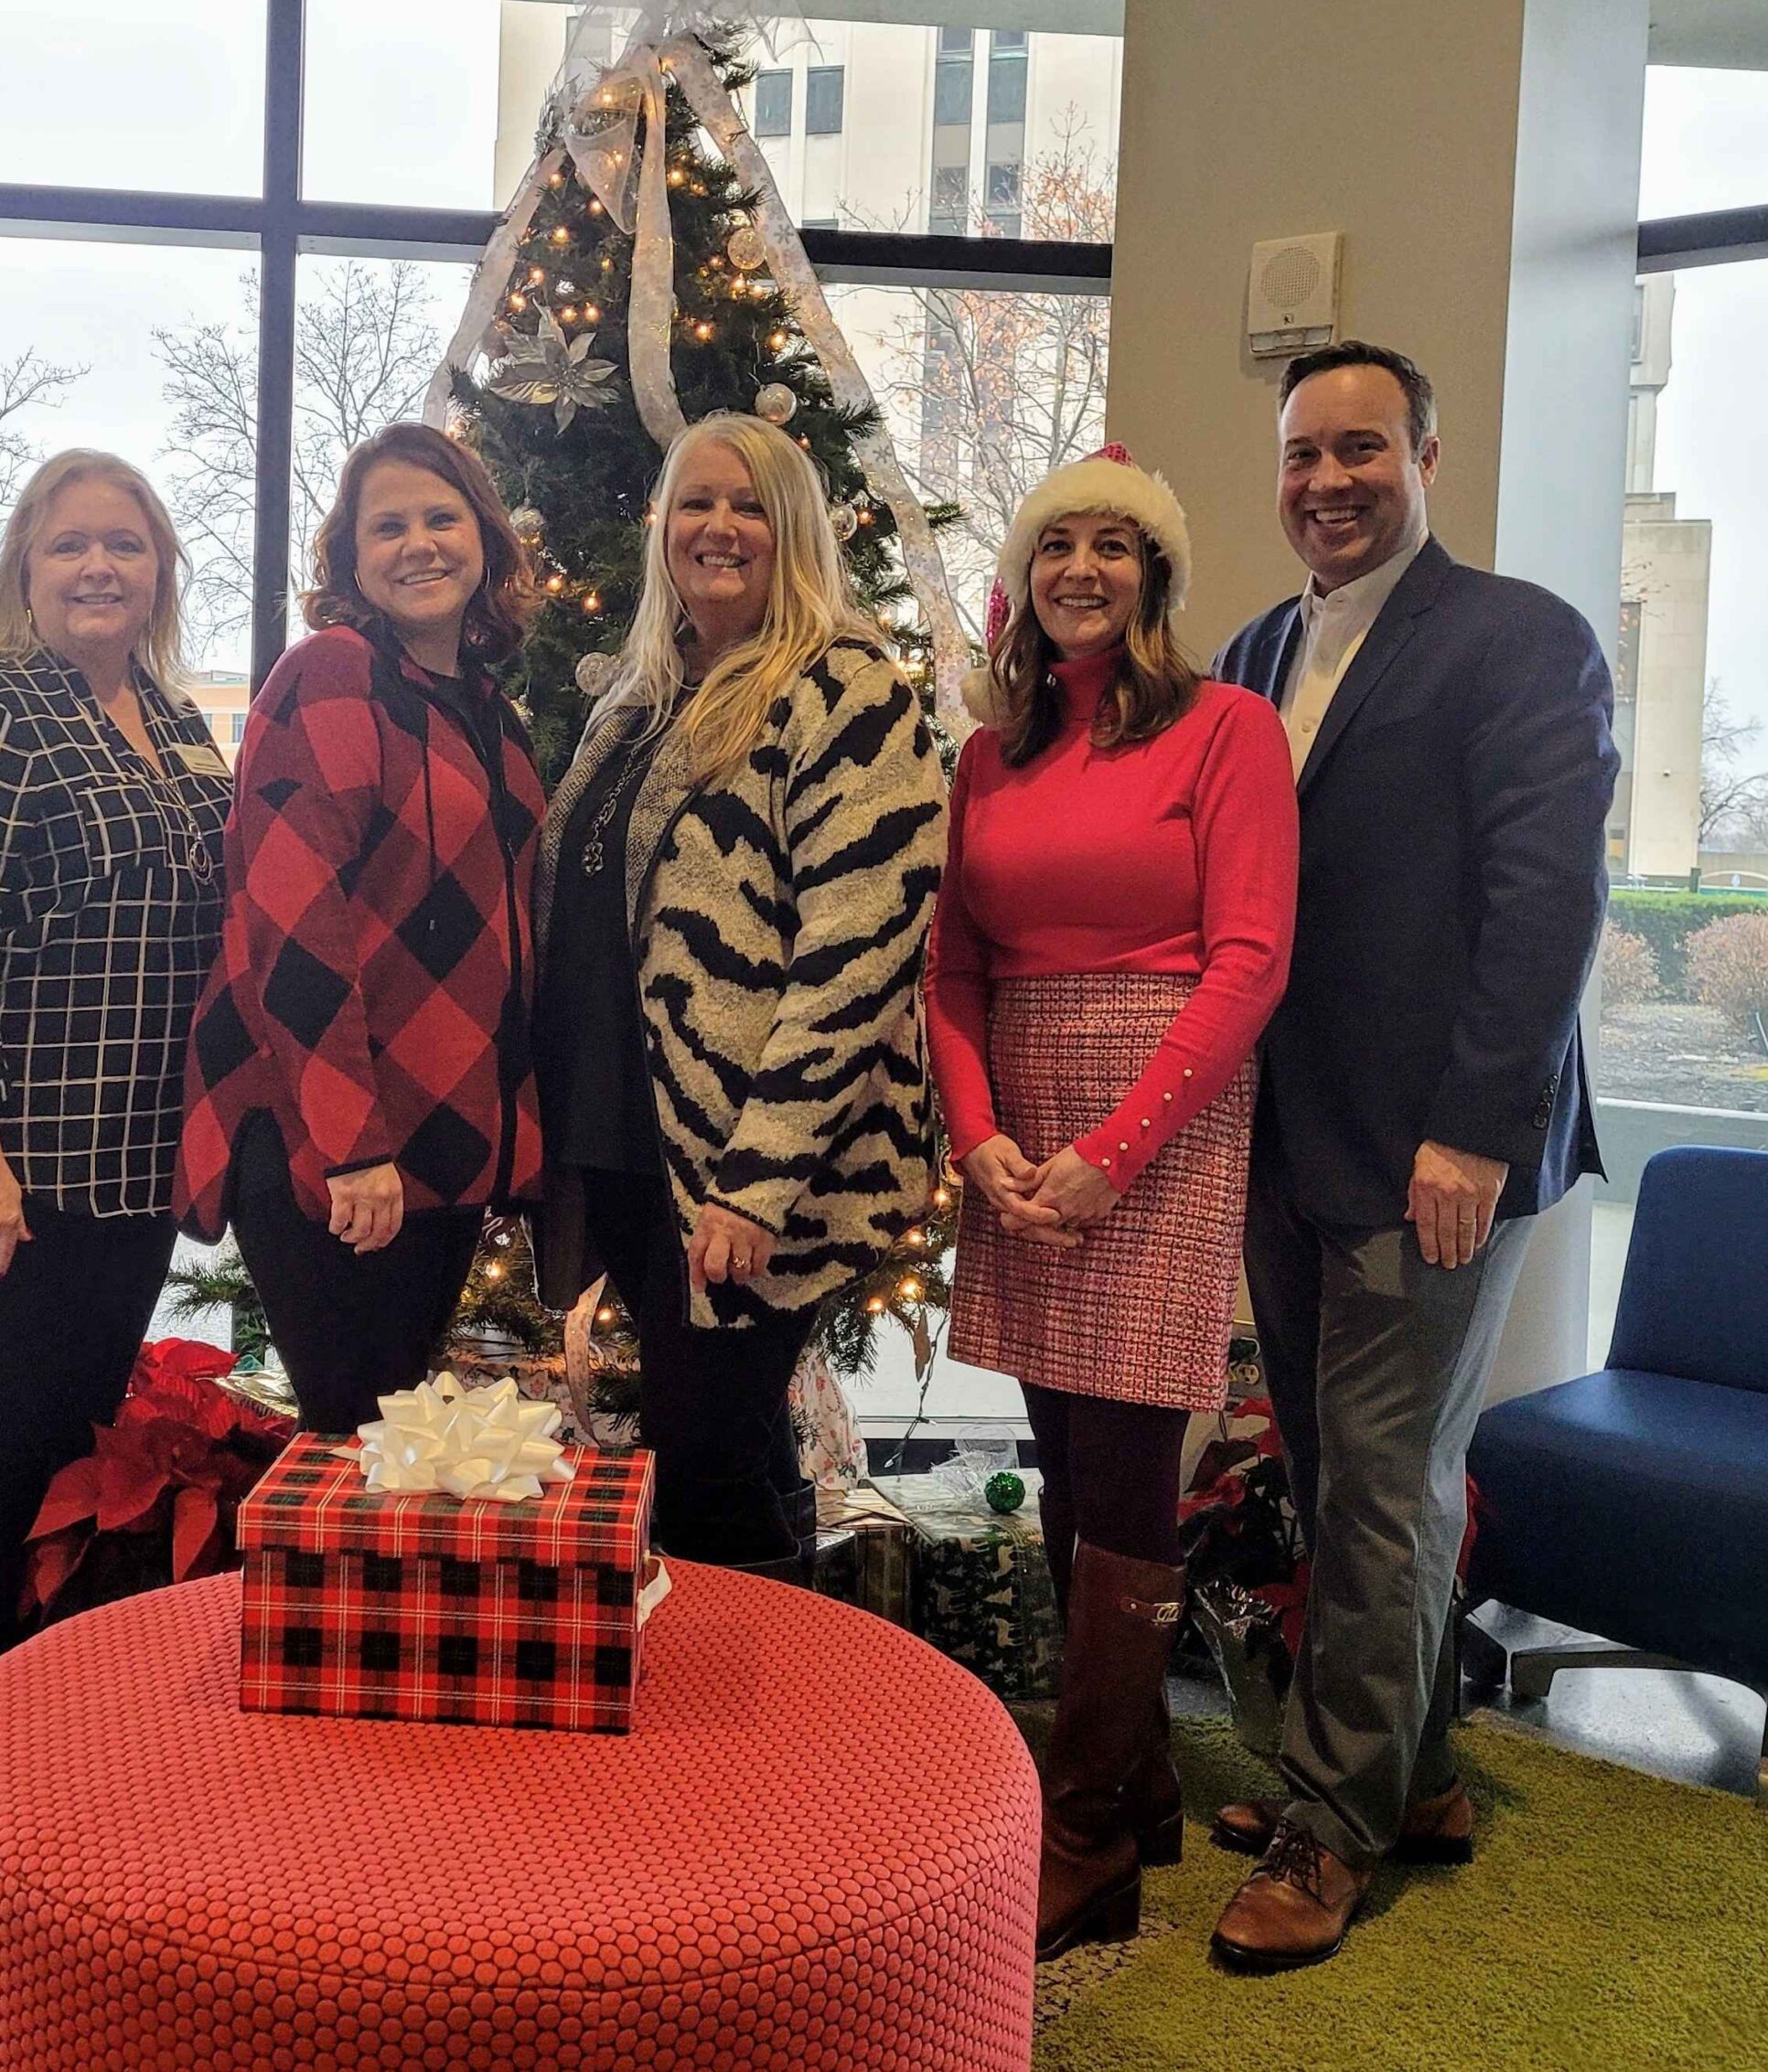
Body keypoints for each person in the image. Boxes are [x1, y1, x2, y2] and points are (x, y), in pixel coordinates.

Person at [1207, 342, 1617, 1973]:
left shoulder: (1521, 642)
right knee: (1330, 1469)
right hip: (1293, 1146)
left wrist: (1471, 1131)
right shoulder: (1253, 651)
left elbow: (1545, 908)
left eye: (1361, 448)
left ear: (1428, 455)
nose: (1327, 481)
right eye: (1303, 453)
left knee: (1381, 1480)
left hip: (1439, 1149)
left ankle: (1330, 1830)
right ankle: (1415, 1776)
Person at [925, 443, 1298, 1959]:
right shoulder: (987, 754)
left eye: (1117, 546)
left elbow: (1251, 961)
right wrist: (979, 1138)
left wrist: (1114, 1151)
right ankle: (1134, 1782)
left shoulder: (1230, 730)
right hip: (1020, 1121)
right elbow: (953, 966)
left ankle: (1081, 1835)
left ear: (1156, 575)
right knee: (1065, 1451)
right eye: (1058, 542)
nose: (1084, 567)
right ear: (1025, 575)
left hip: (1164, 1118)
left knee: (1134, 1464)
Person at [0, 448, 230, 1700]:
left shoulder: (175, 720)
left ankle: (50, 1703)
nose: (99, 567)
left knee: (77, 1428)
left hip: (126, 1152)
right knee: (3, 1427)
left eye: (125, 543)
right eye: (70, 545)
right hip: (3, 1142)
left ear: (161, 568)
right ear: (26, 568)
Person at [533, 411, 945, 1569]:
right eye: (696, 501)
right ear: (662, 524)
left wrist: (759, 1182)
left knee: (703, 1452)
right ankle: (780, 1692)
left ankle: (746, 1723)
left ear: (795, 529)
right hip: (626, 1138)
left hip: (752, 1160)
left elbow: (856, 960)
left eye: (749, 504)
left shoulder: (845, 693)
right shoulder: (639, 697)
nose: (719, 527)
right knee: (730, 1440)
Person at [176, 425, 545, 1428]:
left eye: (440, 517)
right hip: (337, 1148)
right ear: (349, 559)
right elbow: (288, 926)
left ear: (483, 539)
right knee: (352, 1445)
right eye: (388, 527)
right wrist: (349, 1146)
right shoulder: (330, 674)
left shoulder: (487, 713)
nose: (417, 543)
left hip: (446, 1142)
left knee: (387, 1439)